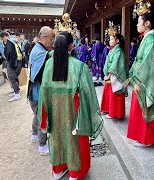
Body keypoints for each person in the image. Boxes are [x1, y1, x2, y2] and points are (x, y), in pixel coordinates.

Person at [37, 32, 103, 180]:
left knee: (57, 137)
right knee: (74, 140)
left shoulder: (48, 64)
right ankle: (75, 173)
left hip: (54, 109)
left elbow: (44, 92)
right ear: (71, 45)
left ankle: (58, 169)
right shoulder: (80, 66)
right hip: (73, 110)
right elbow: (88, 94)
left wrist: (46, 114)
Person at [126, 9, 154, 147]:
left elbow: (149, 63)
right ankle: (142, 136)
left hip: (146, 81)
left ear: (148, 23)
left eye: (139, 22)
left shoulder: (151, 40)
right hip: (142, 79)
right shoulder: (148, 38)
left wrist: (139, 80)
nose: (137, 25)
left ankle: (147, 138)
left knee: (146, 108)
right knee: (140, 109)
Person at [27, 26, 55, 155]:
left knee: (37, 114)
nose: (52, 41)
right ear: (43, 38)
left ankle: (34, 135)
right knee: (42, 116)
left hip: (33, 90)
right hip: (38, 91)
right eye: (51, 38)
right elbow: (38, 76)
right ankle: (42, 145)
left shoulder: (36, 49)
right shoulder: (42, 53)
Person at [100, 31, 127, 119]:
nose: (110, 41)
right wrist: (106, 73)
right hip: (110, 75)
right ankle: (107, 109)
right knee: (109, 94)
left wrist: (108, 75)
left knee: (115, 94)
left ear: (117, 41)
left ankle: (115, 113)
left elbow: (115, 65)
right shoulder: (113, 50)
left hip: (116, 76)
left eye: (112, 39)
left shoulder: (118, 51)